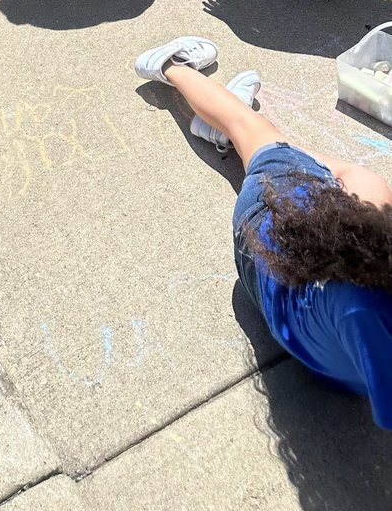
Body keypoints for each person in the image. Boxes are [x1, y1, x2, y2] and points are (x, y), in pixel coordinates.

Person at [134, 35, 392, 429]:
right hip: (318, 345)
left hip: (265, 244)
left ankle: (170, 66)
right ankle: (243, 141)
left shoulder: (367, 304)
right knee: (316, 169)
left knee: (260, 135)